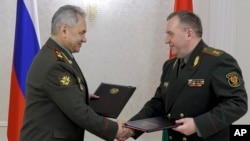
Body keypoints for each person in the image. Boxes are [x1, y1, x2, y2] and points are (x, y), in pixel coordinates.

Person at [124, 10, 248, 141]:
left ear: (189, 34)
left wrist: (198, 125)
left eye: (170, 34)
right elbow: (158, 103)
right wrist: (131, 127)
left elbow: (237, 103)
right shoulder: (169, 66)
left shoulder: (218, 61)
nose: (166, 40)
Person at [20, 5, 129, 141]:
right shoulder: (55, 64)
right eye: (81, 33)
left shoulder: (58, 56)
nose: (84, 39)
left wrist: (79, 95)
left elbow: (61, 96)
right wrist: (114, 129)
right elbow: (78, 111)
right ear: (64, 30)